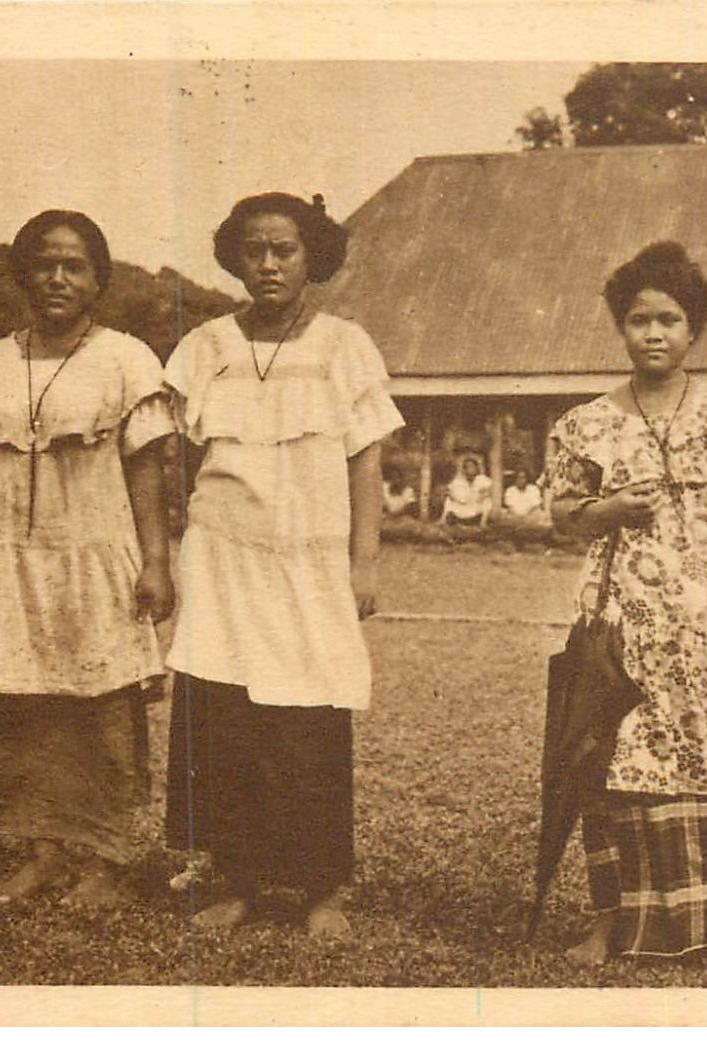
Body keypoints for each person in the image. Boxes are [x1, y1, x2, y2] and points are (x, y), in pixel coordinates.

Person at [0, 210, 174, 908]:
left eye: (75, 265)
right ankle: (41, 855)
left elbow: (148, 470)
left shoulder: (126, 360)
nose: (58, 278)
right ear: (23, 273)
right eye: (45, 264)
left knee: (99, 712)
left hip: (92, 556)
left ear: (98, 279)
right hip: (1, 560)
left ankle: (105, 860)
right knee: (16, 705)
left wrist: (156, 561)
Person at [162, 192, 404, 938]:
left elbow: (367, 458)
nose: (268, 265)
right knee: (224, 715)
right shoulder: (205, 345)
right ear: (235, 257)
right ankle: (234, 879)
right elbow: (177, 453)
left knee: (308, 717)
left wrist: (362, 561)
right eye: (255, 251)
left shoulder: (343, 344)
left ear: (312, 258)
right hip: (224, 558)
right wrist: (180, 543)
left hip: (310, 560)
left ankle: (319, 887)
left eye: (284, 251)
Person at [547, 242, 707, 967]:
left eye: (669, 320)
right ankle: (610, 922)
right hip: (619, 619)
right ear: (620, 327)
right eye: (639, 319)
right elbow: (562, 517)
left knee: (704, 759)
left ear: (693, 329)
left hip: (703, 622)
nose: (653, 334)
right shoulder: (586, 423)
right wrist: (610, 505)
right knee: (609, 762)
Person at [440, 454, 493, 525]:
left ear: (477, 468)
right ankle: (442, 520)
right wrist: (454, 497)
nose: (470, 469)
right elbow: (448, 490)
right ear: (464, 469)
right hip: (461, 507)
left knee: (487, 501)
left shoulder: (482, 479)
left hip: (475, 507)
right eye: (467, 467)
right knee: (448, 500)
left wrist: (479, 497)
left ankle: (483, 523)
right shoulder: (458, 480)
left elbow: (486, 492)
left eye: (472, 466)